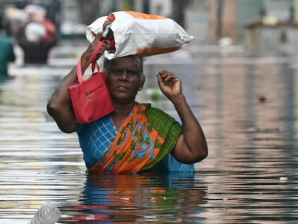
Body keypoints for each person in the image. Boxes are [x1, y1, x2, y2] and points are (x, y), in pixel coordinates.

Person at [46, 36, 208, 174]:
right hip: (98, 206)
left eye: (131, 73)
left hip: (144, 208)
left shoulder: (156, 123)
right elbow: (56, 106)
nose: (124, 77)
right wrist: (88, 57)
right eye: (117, 72)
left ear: (141, 82)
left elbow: (196, 152)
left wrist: (177, 98)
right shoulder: (90, 117)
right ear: (104, 78)